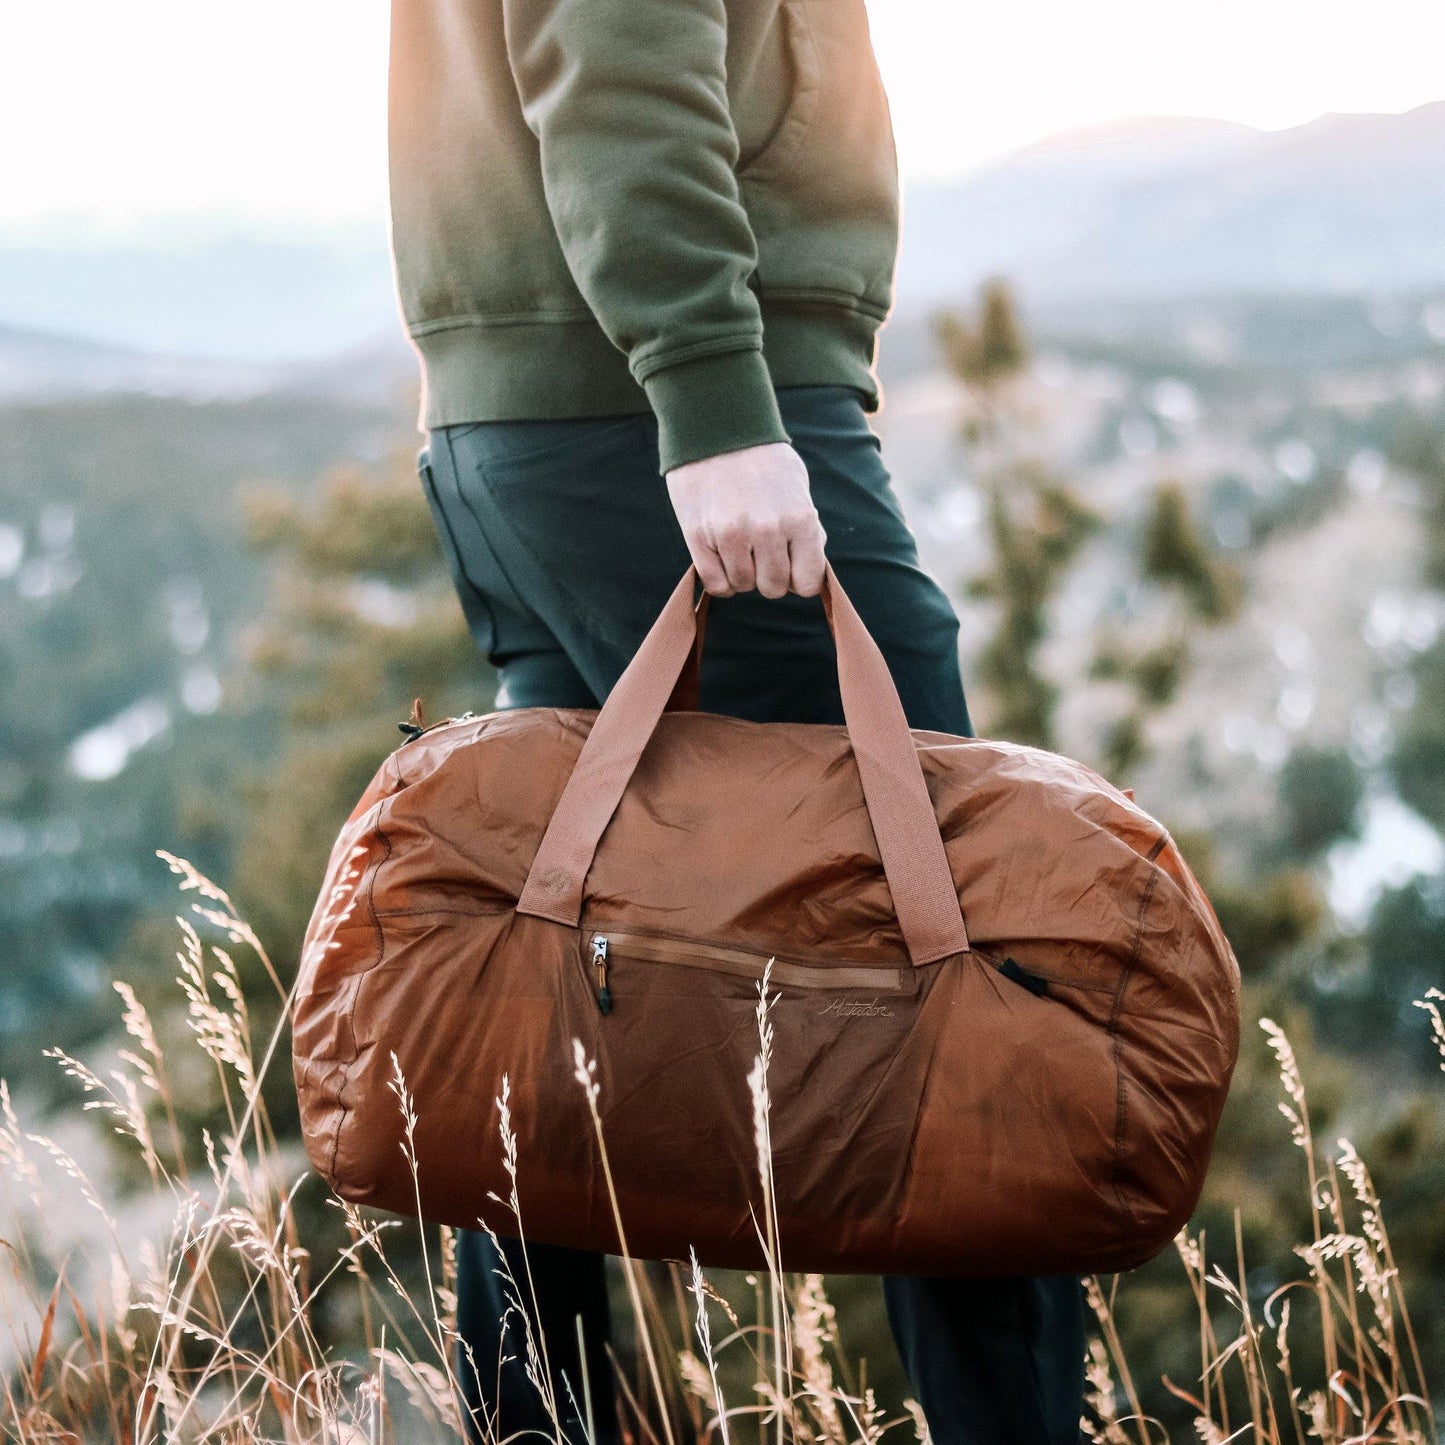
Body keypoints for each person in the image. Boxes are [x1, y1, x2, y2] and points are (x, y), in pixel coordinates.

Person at [388, 0, 1088, 1440]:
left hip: (525, 410)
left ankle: (527, 1420)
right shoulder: (696, 395)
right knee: (958, 955)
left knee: (549, 944)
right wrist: (710, 399)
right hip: (669, 404)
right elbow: (619, 49)